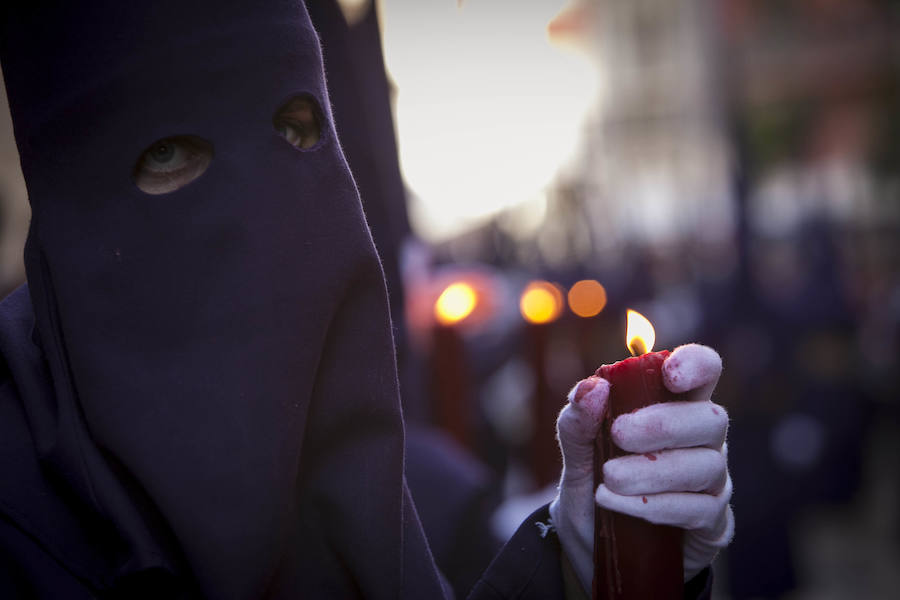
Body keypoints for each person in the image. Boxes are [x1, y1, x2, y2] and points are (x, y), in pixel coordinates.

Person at [0, 2, 732, 598]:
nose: (263, 216)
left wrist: (583, 565)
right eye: (167, 153)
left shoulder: (357, 460)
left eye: (294, 130)